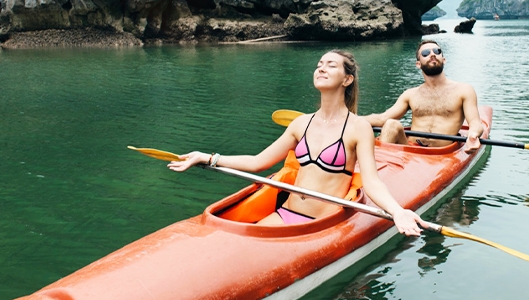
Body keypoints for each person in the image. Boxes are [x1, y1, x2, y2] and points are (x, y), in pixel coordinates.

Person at [168, 50, 425, 236]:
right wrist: (208, 157)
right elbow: (258, 162)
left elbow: (371, 181)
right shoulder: (300, 124)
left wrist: (397, 211)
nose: (321, 68)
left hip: (322, 223)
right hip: (285, 215)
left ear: (347, 79)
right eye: (319, 64)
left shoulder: (359, 128)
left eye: (331, 65)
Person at [362, 40, 484, 151]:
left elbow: (475, 123)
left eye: (437, 51)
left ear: (444, 59)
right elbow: (382, 118)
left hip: (442, 152)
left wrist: (473, 135)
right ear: (418, 64)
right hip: (411, 148)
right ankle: (378, 167)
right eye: (425, 53)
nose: (432, 54)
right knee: (391, 124)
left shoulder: (463, 90)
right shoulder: (410, 94)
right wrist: (348, 119)